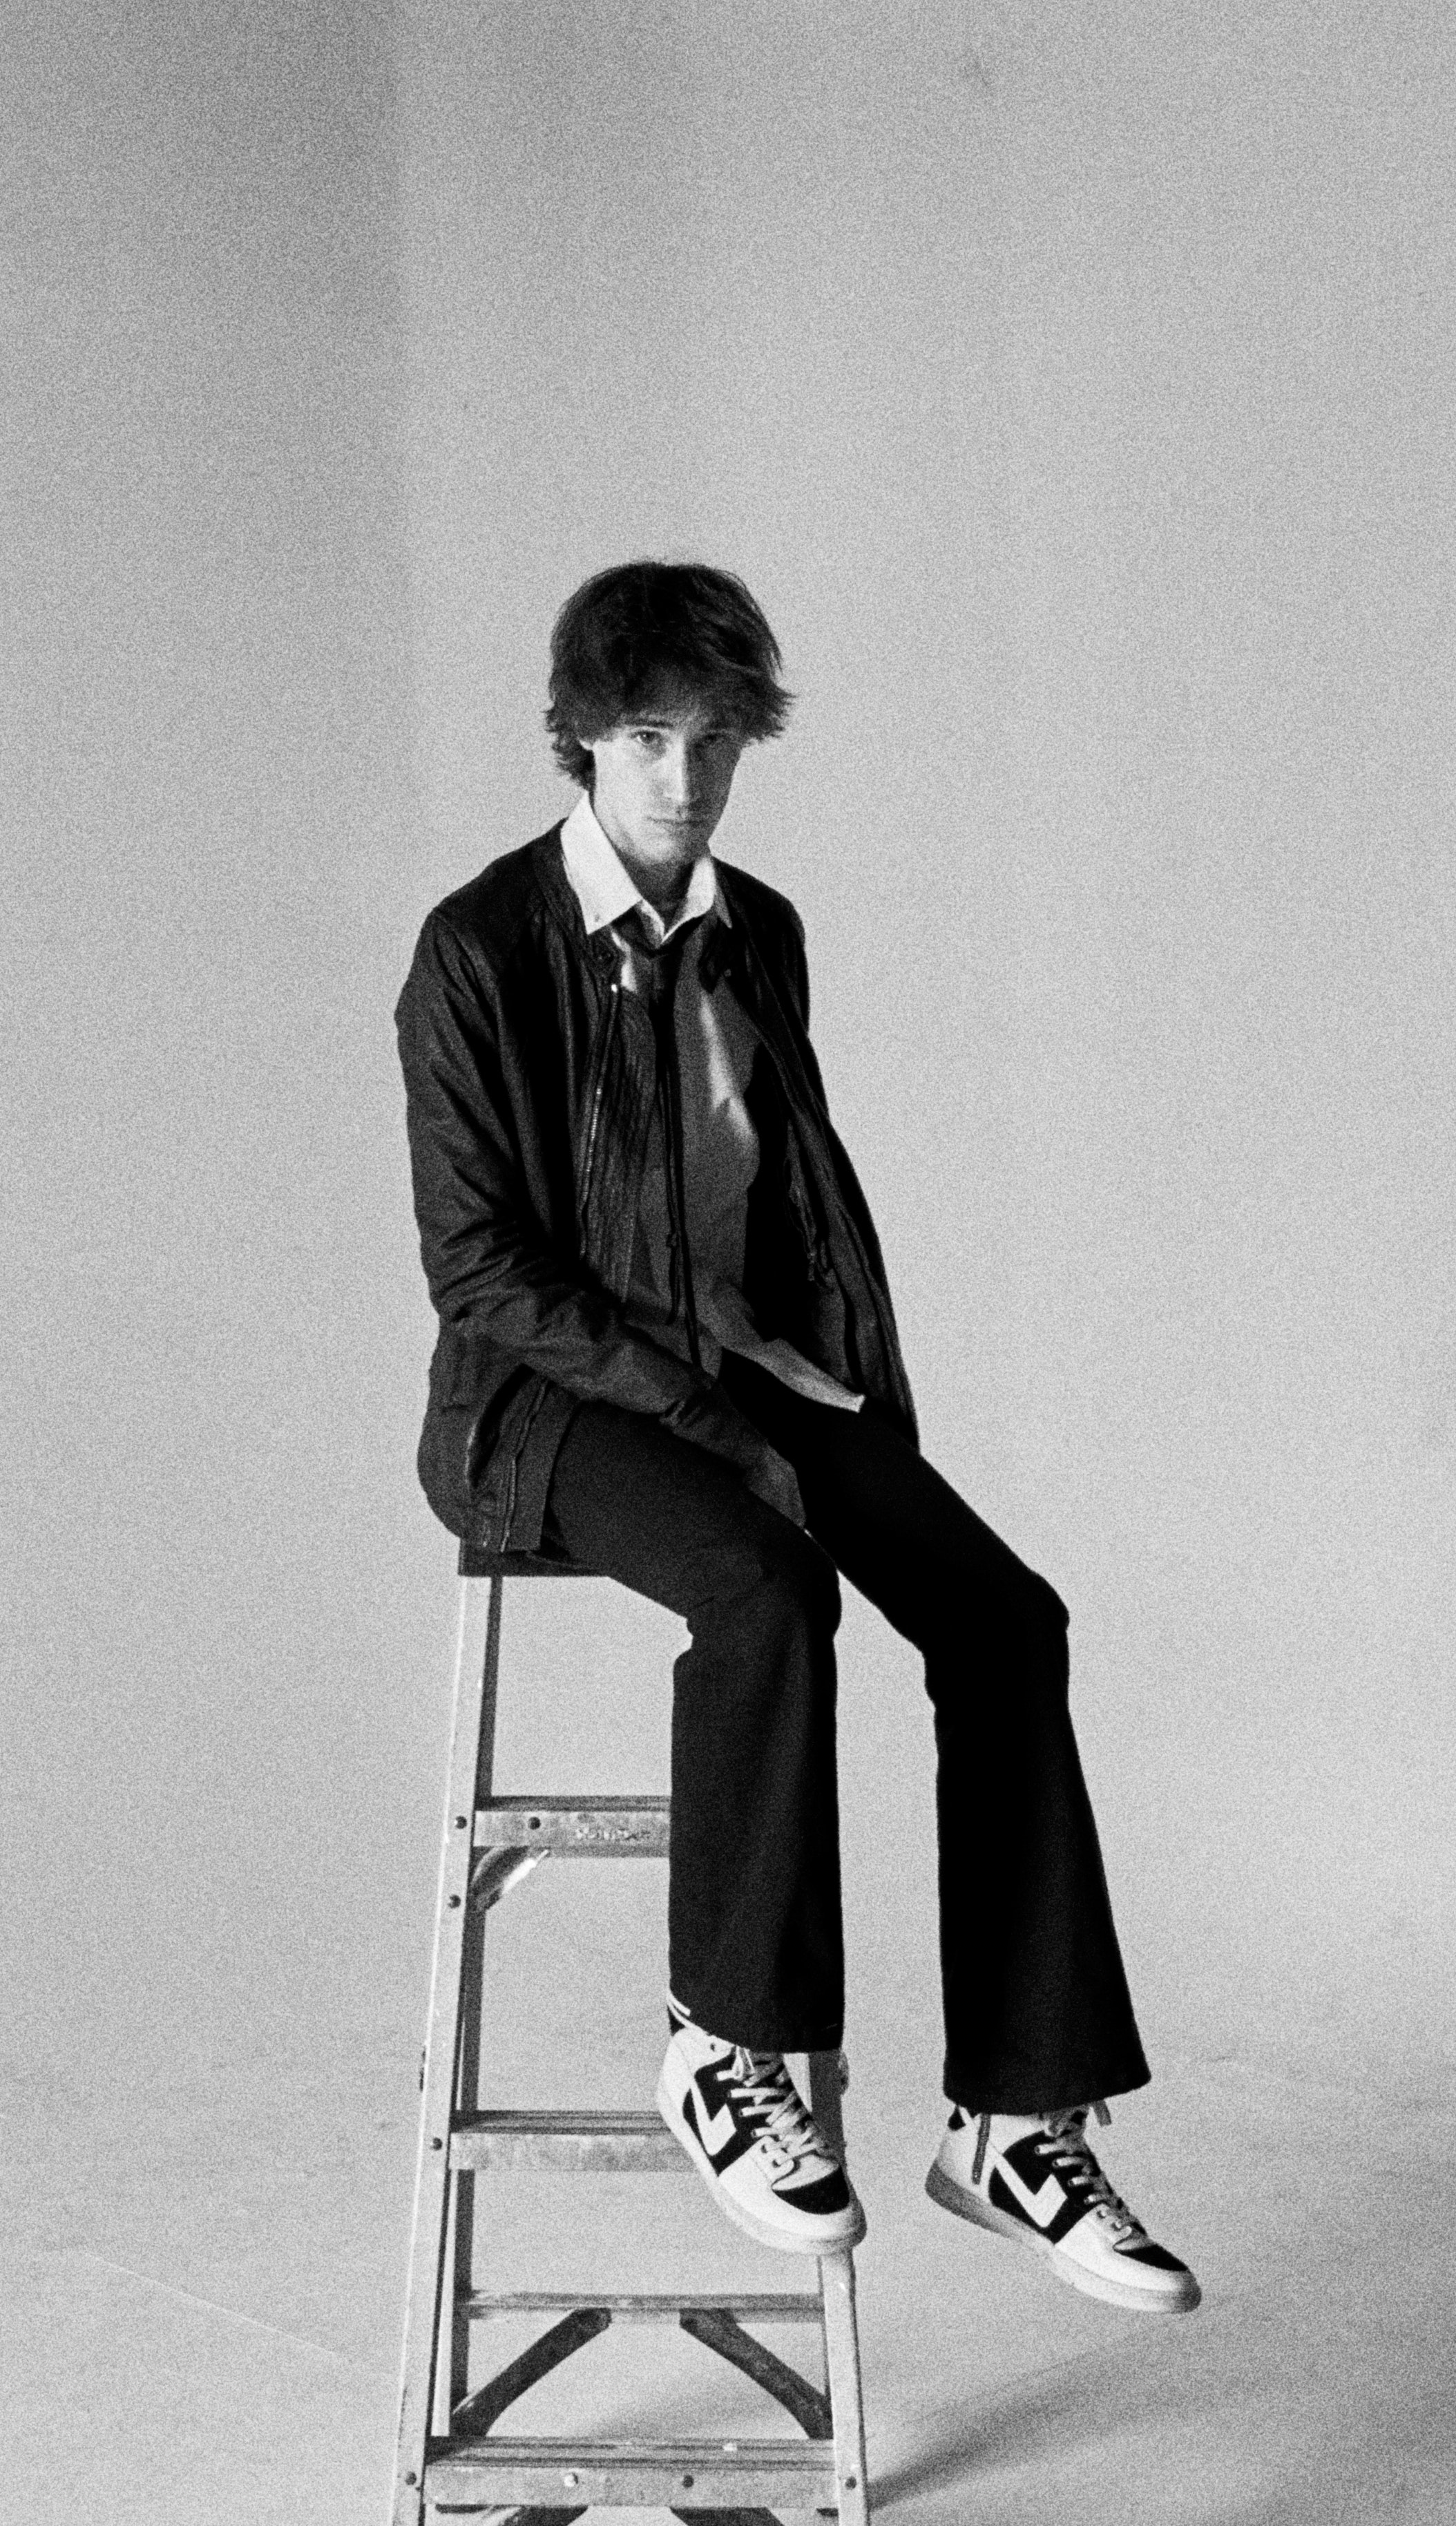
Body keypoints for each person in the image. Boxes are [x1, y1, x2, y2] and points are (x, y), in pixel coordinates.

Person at [395, 559, 1199, 2315]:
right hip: (543, 1403)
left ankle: (1016, 2117)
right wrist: (699, 1407)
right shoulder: (479, 948)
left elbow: (785, 1203)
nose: (682, 779)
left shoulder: (758, 929)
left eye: (713, 741)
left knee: (1005, 1618)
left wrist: (832, 1398)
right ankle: (726, 2044)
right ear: (578, 739)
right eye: (645, 739)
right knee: (767, 1590)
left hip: (742, 1373)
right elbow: (479, 1267)